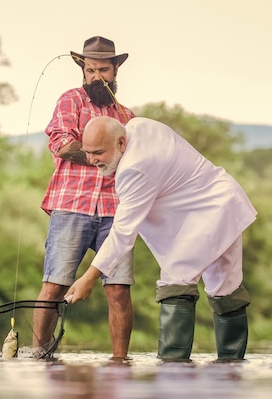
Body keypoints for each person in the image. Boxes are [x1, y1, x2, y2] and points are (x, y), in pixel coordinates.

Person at [65, 116, 258, 362]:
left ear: (122, 143)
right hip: (226, 200)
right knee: (226, 288)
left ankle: (173, 370)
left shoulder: (134, 168)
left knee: (176, 280)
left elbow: (123, 234)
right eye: (88, 152)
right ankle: (231, 370)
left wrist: (88, 278)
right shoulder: (138, 124)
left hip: (209, 213)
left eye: (98, 153)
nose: (91, 160)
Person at [32, 36, 135, 360]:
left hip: (115, 210)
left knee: (118, 290)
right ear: (83, 70)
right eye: (90, 70)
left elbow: (134, 163)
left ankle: (120, 363)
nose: (96, 76)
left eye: (103, 69)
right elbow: (61, 144)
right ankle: (39, 356)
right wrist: (103, 155)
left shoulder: (127, 115)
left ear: (115, 69)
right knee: (55, 285)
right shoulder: (71, 100)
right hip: (71, 205)